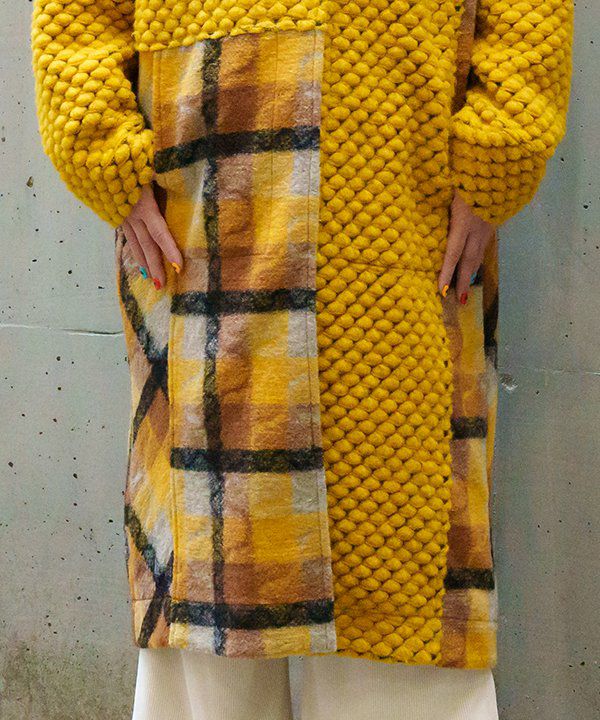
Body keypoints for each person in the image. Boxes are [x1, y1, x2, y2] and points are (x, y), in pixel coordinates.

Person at [30, 0, 574, 718]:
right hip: (201, 205)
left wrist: (501, 145)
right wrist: (96, 142)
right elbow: (73, 19)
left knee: (401, 608)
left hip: (400, 190)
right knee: (208, 617)